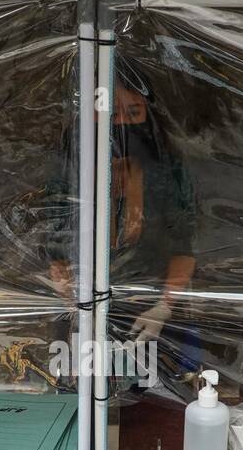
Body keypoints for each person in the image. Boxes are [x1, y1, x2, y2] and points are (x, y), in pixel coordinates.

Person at [46, 70, 197, 346]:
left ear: (148, 115)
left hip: (153, 320)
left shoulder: (168, 174)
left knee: (154, 388)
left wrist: (163, 308)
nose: (123, 124)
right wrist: (75, 307)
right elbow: (55, 250)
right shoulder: (69, 175)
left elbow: (183, 249)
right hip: (81, 318)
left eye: (134, 111)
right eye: (112, 114)